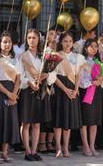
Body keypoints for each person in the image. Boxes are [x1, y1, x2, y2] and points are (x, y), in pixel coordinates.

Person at [19, 29, 54, 161]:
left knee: (37, 124)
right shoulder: (23, 56)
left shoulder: (43, 55)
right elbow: (20, 76)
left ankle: (34, 151)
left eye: (34, 38)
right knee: (26, 123)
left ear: (39, 39)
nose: (32, 40)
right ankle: (27, 151)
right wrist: (29, 82)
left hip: (41, 90)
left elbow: (50, 73)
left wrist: (46, 75)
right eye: (29, 38)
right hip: (28, 90)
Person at [0, 31, 21, 163]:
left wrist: (14, 94)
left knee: (9, 122)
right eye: (4, 42)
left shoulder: (16, 60)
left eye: (9, 42)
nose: (7, 44)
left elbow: (18, 79)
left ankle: (5, 152)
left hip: (12, 92)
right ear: (0, 44)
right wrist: (9, 94)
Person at [52, 32, 84, 158]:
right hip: (60, 88)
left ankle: (66, 147)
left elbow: (79, 75)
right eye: (65, 41)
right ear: (61, 42)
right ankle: (58, 147)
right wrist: (65, 89)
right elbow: (53, 75)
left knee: (68, 122)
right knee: (59, 120)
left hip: (72, 89)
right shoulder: (55, 56)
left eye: (70, 41)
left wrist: (75, 90)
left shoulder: (79, 57)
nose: (67, 43)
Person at [79, 39, 103, 157]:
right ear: (85, 48)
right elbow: (80, 79)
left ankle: (92, 145)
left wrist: (101, 80)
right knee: (85, 120)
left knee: (94, 121)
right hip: (87, 91)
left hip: (97, 92)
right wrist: (91, 82)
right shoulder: (82, 61)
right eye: (91, 46)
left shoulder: (99, 62)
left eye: (96, 46)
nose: (94, 48)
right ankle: (85, 145)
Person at [39, 27, 58, 155]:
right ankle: (41, 142)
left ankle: (50, 142)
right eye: (51, 34)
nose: (54, 36)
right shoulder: (43, 52)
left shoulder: (58, 51)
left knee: (53, 114)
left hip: (55, 85)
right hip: (43, 85)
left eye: (56, 35)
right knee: (44, 114)